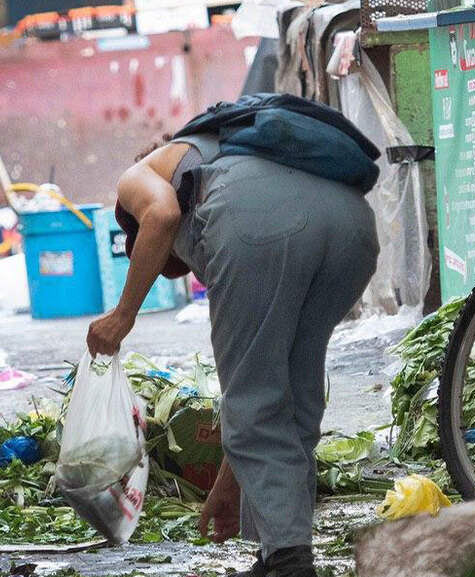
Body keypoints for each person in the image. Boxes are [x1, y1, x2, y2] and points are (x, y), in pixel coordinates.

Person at [86, 95, 381, 577]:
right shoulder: (230, 147)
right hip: (352, 228)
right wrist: (232, 481)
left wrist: (121, 317)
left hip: (263, 226)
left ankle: (289, 561)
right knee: (294, 395)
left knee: (258, 398)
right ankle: (277, 551)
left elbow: (160, 217)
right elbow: (262, 390)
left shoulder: (138, 178)